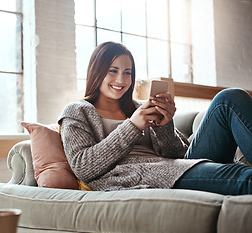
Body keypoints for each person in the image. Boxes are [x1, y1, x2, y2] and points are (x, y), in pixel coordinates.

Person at [58, 41, 252, 195]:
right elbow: (83, 167)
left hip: (175, 166)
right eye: (113, 71)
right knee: (242, 177)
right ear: (96, 72)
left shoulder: (140, 107)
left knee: (228, 98)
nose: (121, 80)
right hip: (141, 175)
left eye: (127, 73)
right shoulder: (77, 111)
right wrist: (132, 126)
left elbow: (180, 156)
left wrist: (165, 126)